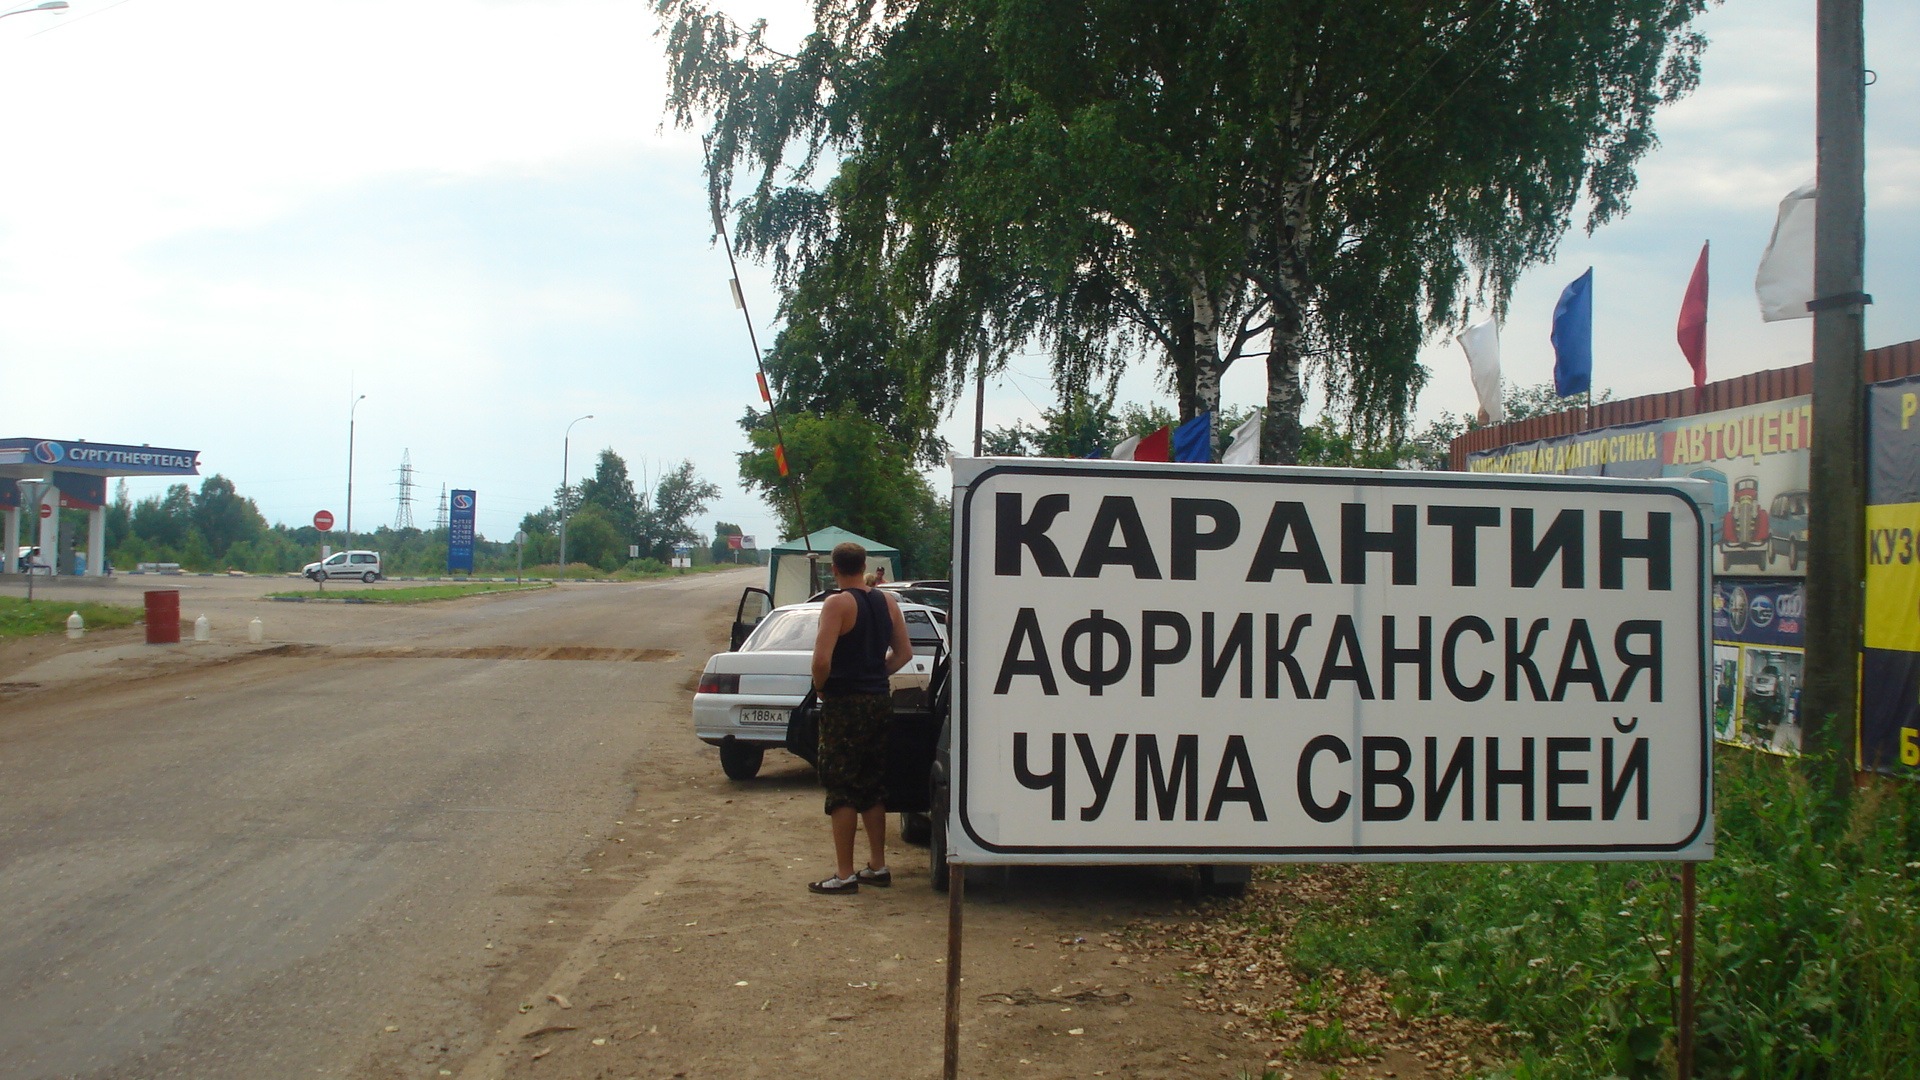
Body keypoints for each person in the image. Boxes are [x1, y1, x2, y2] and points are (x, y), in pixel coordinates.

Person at [807, 542, 912, 894]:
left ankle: (844, 873)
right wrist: (877, 673)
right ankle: (878, 865)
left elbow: (821, 660)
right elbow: (904, 653)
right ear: (864, 565)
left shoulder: (837, 604)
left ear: (834, 568)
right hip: (878, 700)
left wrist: (821, 687)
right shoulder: (888, 602)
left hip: (844, 703)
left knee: (842, 787)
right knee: (871, 783)